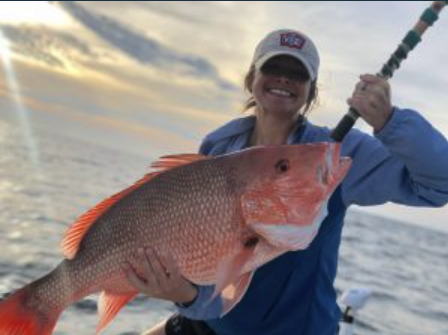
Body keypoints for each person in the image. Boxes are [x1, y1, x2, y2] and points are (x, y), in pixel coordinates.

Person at [125, 29, 448, 335]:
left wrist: (390, 121)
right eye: (273, 66)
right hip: (214, 320)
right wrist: (183, 293)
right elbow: (207, 258)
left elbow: (438, 184)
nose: (283, 77)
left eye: (297, 73)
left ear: (312, 89)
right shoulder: (219, 147)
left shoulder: (337, 154)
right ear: (252, 78)